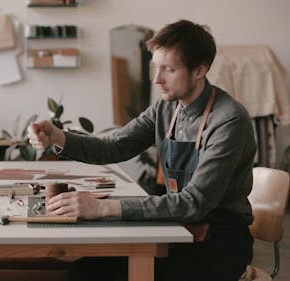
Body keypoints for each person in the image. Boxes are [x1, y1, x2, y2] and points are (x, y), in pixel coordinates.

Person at [27, 19, 255, 281]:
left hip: (217, 245)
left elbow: (194, 202)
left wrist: (102, 208)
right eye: (155, 68)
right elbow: (114, 146)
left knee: (90, 273)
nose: (157, 79)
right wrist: (58, 136)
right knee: (85, 267)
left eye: (169, 69)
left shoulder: (229, 121)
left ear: (199, 70)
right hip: (178, 231)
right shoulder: (166, 109)